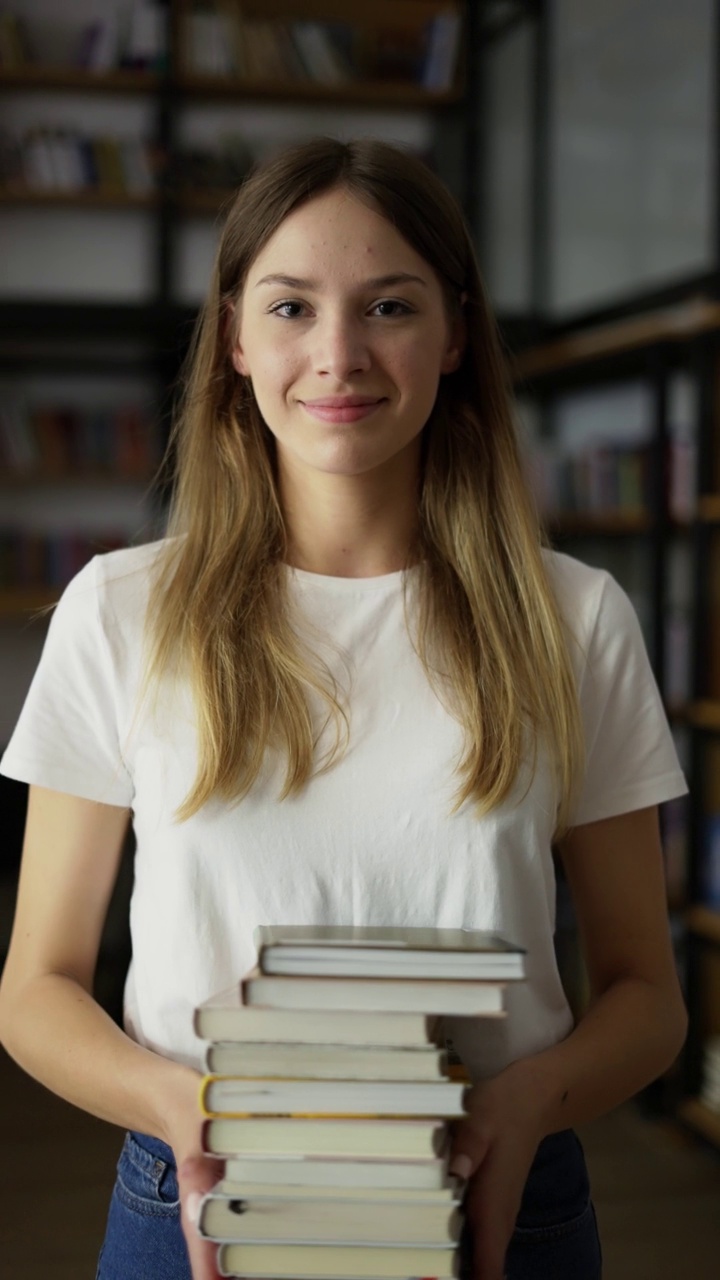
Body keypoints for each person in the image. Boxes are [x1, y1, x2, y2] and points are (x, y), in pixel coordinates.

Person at [0, 136, 687, 1280]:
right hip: (202, 1192)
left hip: (499, 1192)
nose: (338, 354)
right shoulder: (121, 610)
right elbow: (36, 988)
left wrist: (524, 1104)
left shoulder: (574, 617)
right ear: (231, 337)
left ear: (457, 334)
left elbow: (646, 995)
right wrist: (186, 1110)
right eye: (290, 306)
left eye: (389, 305)